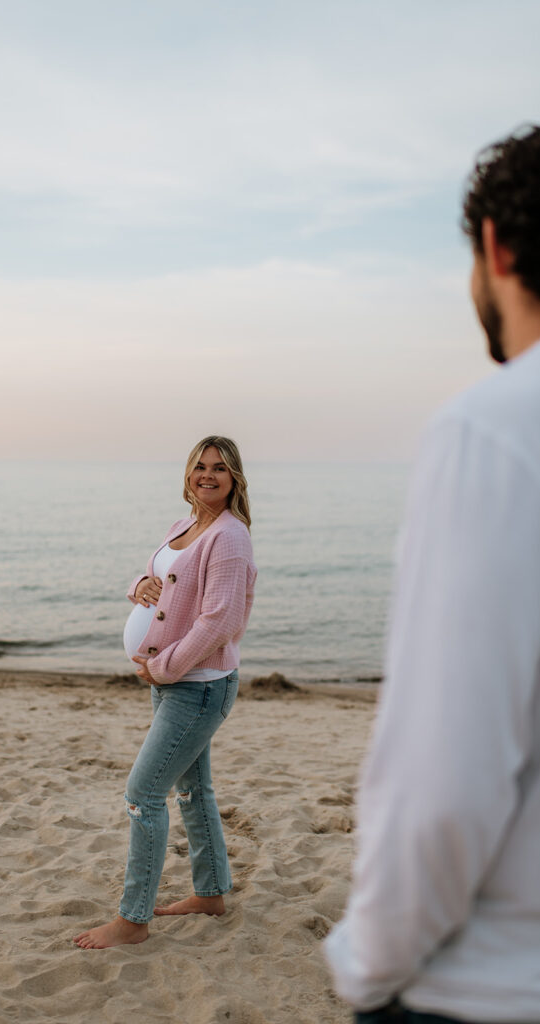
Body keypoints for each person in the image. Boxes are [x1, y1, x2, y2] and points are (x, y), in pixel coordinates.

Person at [325, 124, 540, 1021]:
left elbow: (443, 781)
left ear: (495, 247)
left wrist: (366, 965)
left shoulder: (491, 428)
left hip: (494, 980)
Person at [74, 435, 257, 950]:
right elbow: (156, 575)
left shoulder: (230, 536)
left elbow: (219, 619)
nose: (208, 474)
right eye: (200, 466)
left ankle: (133, 920)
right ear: (188, 474)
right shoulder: (186, 525)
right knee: (192, 790)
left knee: (143, 794)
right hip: (177, 683)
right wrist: (139, 586)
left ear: (235, 478)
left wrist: (166, 669)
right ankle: (212, 893)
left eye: (220, 468)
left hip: (196, 687)